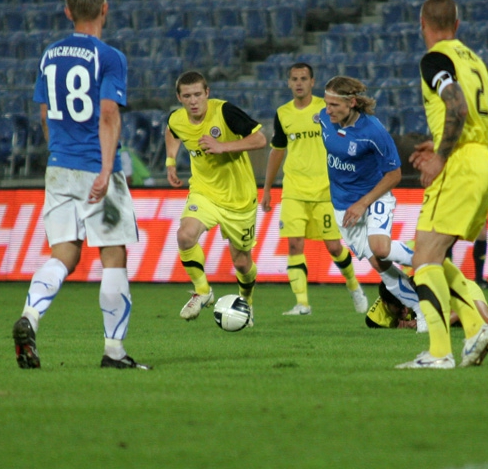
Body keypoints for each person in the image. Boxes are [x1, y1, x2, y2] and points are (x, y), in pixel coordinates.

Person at [12, 0, 150, 370]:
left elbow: (44, 114)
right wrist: (106, 170)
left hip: (58, 167)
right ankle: (114, 352)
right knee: (113, 255)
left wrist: (59, 152)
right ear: (105, 9)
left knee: (64, 254)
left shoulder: (49, 55)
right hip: (94, 168)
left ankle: (31, 317)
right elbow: (108, 115)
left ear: (68, 11)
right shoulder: (110, 57)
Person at [393, 0, 488, 369]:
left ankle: (439, 352)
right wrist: (440, 141)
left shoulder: (435, 59)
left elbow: (456, 105)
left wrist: (441, 154)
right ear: (457, 25)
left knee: (423, 258)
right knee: (432, 253)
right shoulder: (477, 62)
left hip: (461, 162)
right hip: (485, 161)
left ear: (422, 24)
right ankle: (475, 328)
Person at [318, 75, 425, 331]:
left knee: (380, 248)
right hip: (342, 207)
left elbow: (395, 174)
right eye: (326, 103)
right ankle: (423, 311)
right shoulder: (323, 118)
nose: (327, 109)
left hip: (373, 196)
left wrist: (363, 203)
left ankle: (428, 259)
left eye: (334, 105)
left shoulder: (373, 131)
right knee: (380, 264)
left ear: (352, 102)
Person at [261, 62, 368, 316]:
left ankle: (354, 287)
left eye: (303, 78)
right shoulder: (283, 113)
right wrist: (266, 188)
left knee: (333, 246)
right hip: (294, 190)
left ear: (312, 82)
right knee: (294, 244)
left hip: (325, 190)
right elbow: (277, 150)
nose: (298, 83)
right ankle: (302, 304)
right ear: (288, 83)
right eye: (294, 78)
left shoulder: (326, 108)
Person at [165, 71, 267, 321]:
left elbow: (260, 139)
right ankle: (202, 291)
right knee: (185, 235)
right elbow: (172, 131)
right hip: (204, 192)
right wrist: (170, 161)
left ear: (207, 93)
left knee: (242, 263)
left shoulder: (225, 112)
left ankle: (247, 300)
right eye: (187, 96)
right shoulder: (177, 118)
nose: (193, 101)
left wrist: (223, 146)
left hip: (239, 198)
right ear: (179, 97)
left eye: (198, 94)